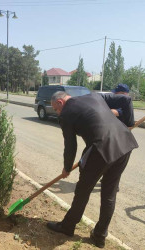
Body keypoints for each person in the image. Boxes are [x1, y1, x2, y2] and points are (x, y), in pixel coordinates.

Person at [47, 91, 138, 248]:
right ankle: (100, 235)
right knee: (109, 193)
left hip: (101, 149)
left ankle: (67, 227)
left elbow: (70, 145)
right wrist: (129, 122)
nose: (57, 112)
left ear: (61, 103)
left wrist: (66, 168)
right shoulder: (95, 95)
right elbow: (126, 99)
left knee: (83, 190)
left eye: (55, 109)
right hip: (124, 144)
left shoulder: (66, 114)